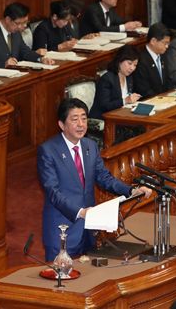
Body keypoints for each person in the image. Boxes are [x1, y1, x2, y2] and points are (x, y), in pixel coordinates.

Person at [37, 98, 152, 261]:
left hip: (89, 228)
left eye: (84, 118)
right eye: (74, 119)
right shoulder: (48, 150)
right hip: (63, 228)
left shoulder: (90, 145)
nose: (81, 124)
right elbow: (53, 192)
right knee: (61, 279)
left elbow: (104, 177)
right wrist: (80, 212)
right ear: (62, 125)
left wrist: (131, 190)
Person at [0, 2, 54, 71]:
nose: (22, 26)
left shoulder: (16, 33)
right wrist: (4, 64)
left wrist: (40, 59)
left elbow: (25, 52)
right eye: (19, 23)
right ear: (7, 20)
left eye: (25, 22)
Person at [89, 45, 141, 120]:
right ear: (120, 60)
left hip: (120, 115)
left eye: (135, 65)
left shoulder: (129, 77)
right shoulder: (107, 79)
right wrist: (125, 101)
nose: (132, 68)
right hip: (102, 119)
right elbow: (104, 105)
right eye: (129, 63)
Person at [133, 23, 172, 99]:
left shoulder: (163, 54)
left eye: (168, 43)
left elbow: (168, 80)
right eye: (165, 43)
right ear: (153, 41)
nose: (167, 46)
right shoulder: (140, 60)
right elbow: (143, 90)